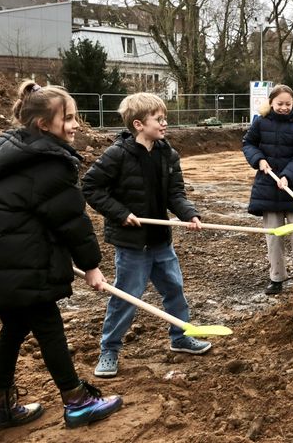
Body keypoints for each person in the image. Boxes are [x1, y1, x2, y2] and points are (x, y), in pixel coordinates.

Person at [0, 81, 122, 432]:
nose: (76, 125)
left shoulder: (14, 151)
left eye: (77, 117)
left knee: (14, 328)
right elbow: (70, 221)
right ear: (44, 125)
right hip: (21, 264)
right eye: (69, 118)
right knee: (48, 327)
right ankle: (76, 401)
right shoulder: (49, 163)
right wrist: (92, 266)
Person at [82, 93, 209, 379]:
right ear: (138, 124)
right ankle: (109, 349)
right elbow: (90, 187)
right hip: (132, 244)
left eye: (165, 118)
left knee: (175, 290)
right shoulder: (117, 154)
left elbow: (175, 193)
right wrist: (120, 213)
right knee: (126, 297)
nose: (165, 123)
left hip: (160, 239)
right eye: (159, 119)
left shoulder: (168, 154)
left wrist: (189, 214)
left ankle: (180, 337)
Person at [242, 84, 293, 294]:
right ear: (271, 103)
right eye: (280, 103)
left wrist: (287, 176)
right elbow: (248, 144)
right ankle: (276, 278)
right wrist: (259, 160)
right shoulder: (261, 121)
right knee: (273, 237)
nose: (284, 107)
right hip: (268, 188)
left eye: (288, 104)